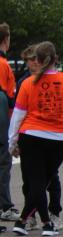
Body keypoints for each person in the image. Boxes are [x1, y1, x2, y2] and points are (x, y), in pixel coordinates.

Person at [8, 42, 63, 236]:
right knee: (44, 180)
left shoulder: (28, 83)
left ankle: (27, 221)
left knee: (36, 181)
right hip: (59, 138)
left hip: (31, 134)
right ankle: (44, 223)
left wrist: (12, 141)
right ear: (55, 58)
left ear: (38, 60)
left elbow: (18, 115)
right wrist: (60, 112)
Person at [0, 23, 18, 225]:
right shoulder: (4, 65)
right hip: (2, 110)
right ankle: (4, 206)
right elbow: (11, 99)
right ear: (6, 40)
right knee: (3, 161)